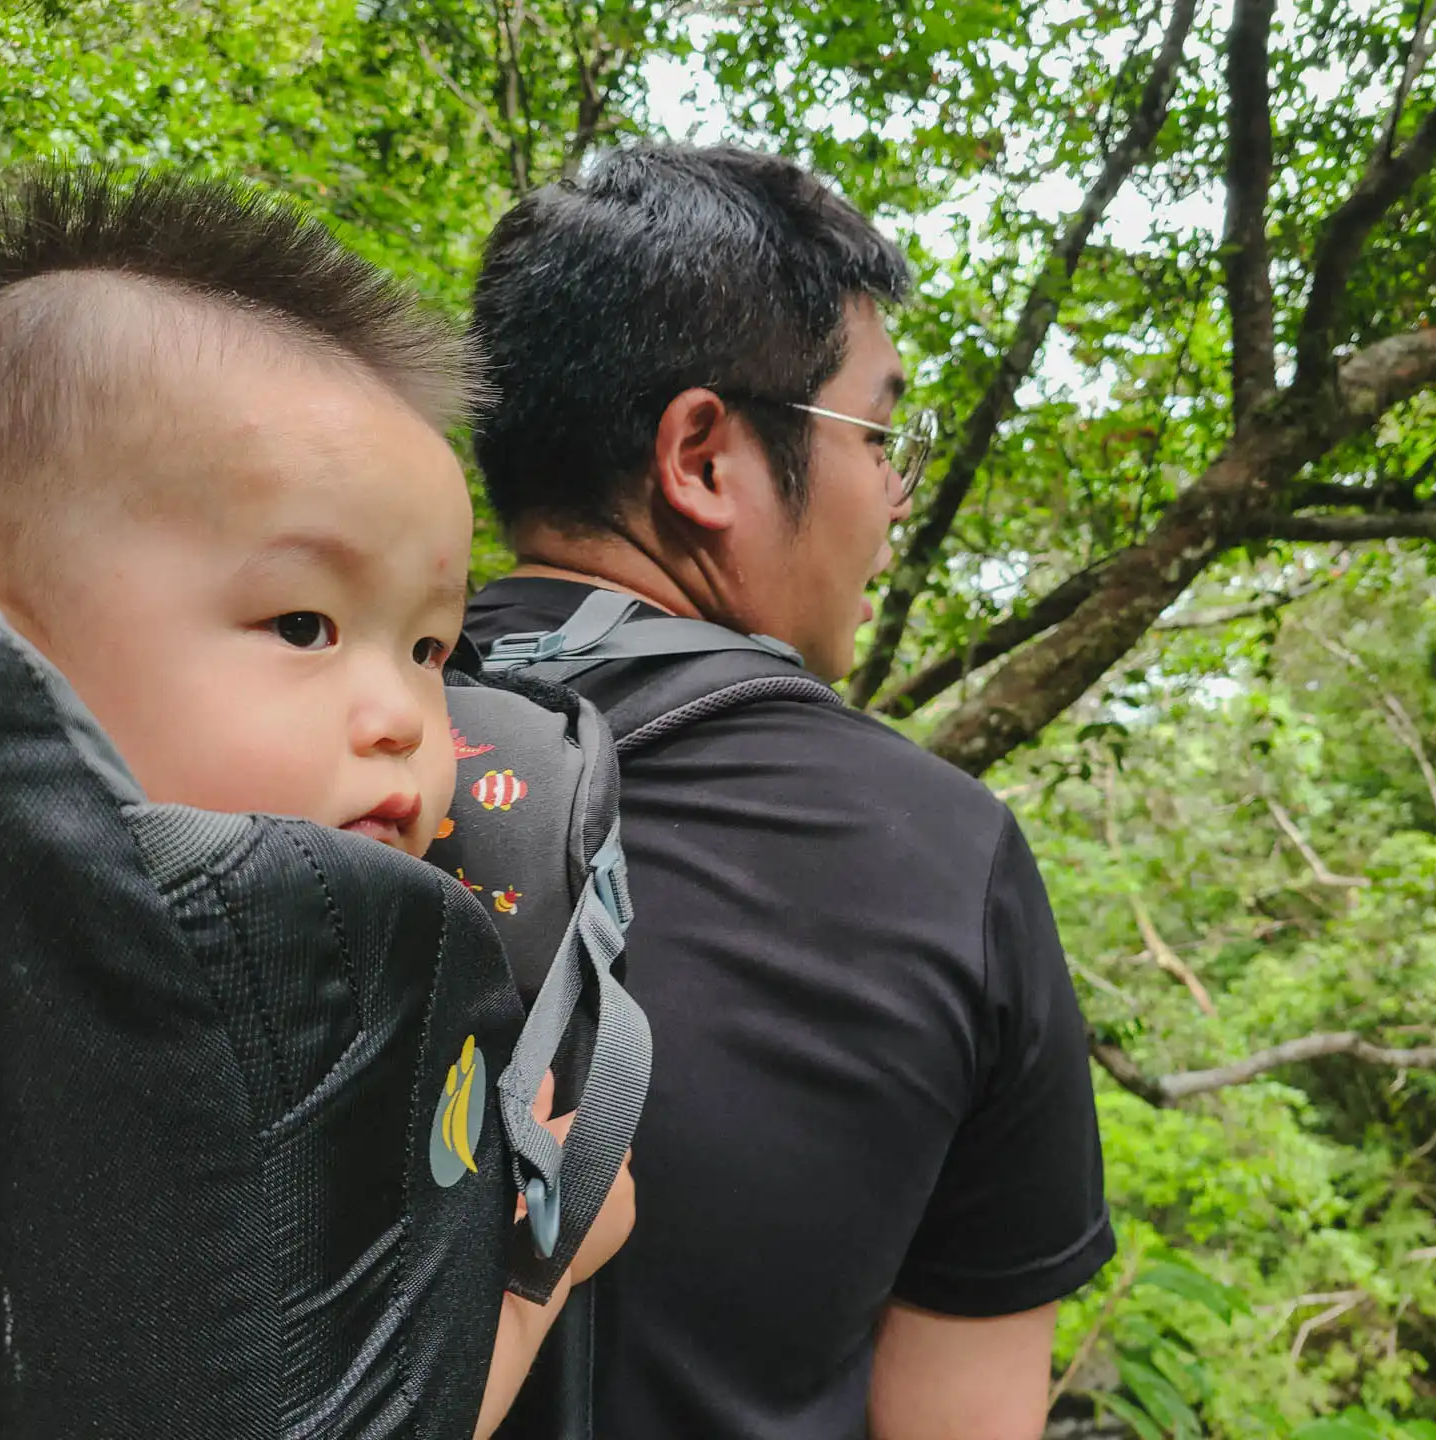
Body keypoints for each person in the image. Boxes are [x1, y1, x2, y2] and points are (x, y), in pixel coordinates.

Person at [0, 166, 632, 1440]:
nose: (407, 720)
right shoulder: (104, 1016)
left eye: (431, 649)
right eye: (304, 623)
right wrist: (543, 1266)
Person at [466, 144, 1114, 1439]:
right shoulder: (945, 860)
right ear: (703, 457)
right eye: (879, 435)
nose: (893, 493)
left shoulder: (292, 736)